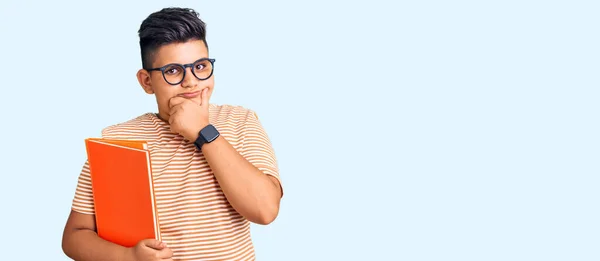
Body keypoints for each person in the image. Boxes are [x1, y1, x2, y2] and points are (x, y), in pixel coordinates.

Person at [61, 7, 283, 261]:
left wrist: (203, 131)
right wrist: (129, 256)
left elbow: (265, 210)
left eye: (200, 66)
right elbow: (75, 236)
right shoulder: (118, 140)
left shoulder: (240, 121)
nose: (191, 81)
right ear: (146, 82)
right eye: (173, 71)